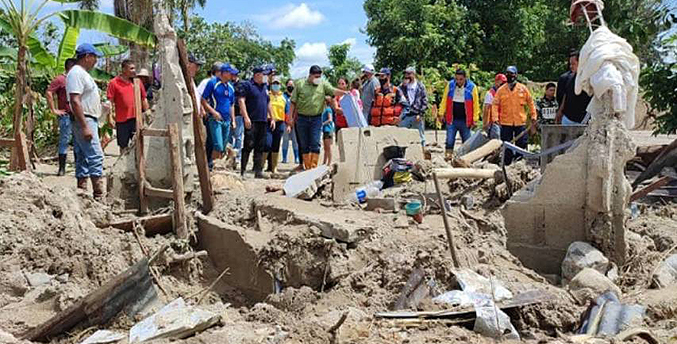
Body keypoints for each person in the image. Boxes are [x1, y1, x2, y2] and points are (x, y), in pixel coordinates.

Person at [66, 43, 105, 199]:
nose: (96, 61)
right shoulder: (76, 73)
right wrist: (85, 126)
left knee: (82, 155)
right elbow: (75, 101)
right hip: (85, 119)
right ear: (87, 57)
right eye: (94, 57)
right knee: (96, 156)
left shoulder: (82, 73)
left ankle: (82, 193)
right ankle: (99, 195)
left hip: (88, 118)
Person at [288, 65, 346, 170]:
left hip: (316, 119)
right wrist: (290, 117)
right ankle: (307, 167)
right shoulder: (300, 84)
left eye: (319, 76)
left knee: (315, 143)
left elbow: (333, 91)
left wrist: (346, 93)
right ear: (310, 75)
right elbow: (293, 102)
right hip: (301, 119)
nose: (318, 79)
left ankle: (313, 168)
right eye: (316, 76)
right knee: (304, 144)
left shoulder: (323, 84)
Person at [492, 66, 537, 165]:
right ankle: (507, 164)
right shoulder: (501, 90)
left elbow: (531, 103)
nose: (510, 76)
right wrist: (495, 117)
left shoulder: (523, 89)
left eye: (512, 74)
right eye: (508, 73)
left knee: (521, 144)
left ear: (516, 75)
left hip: (520, 122)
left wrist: (533, 116)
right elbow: (495, 104)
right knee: (507, 144)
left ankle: (519, 164)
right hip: (506, 122)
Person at [106, 59, 150, 152]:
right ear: (124, 69)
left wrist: (147, 112)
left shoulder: (137, 82)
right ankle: (123, 163)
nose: (134, 71)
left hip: (136, 119)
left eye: (134, 68)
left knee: (138, 143)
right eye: (131, 68)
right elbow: (110, 101)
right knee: (123, 145)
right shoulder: (114, 83)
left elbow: (143, 98)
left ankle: (138, 165)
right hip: (122, 120)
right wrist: (109, 117)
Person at [237, 65, 272, 178]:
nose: (266, 77)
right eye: (264, 74)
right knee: (248, 145)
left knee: (260, 146)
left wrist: (272, 117)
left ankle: (258, 171)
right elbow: (241, 101)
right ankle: (243, 170)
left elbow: (268, 102)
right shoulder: (247, 85)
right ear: (257, 75)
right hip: (252, 120)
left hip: (263, 120)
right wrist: (246, 117)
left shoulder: (265, 87)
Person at [438, 69, 481, 159]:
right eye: (457, 79)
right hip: (452, 118)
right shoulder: (450, 85)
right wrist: (441, 113)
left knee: (467, 141)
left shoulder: (472, 87)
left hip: (466, 120)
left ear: (465, 78)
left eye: (461, 79)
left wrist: (475, 118)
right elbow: (444, 99)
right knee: (449, 140)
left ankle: (466, 158)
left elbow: (476, 104)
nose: (458, 81)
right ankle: (448, 157)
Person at [46, 58, 77, 176]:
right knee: (64, 140)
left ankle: (77, 166)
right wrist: (54, 110)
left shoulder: (76, 79)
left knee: (77, 141)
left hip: (77, 114)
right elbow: (49, 92)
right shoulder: (60, 79)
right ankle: (61, 168)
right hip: (65, 115)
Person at [201, 63, 236, 160]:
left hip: (227, 120)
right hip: (215, 119)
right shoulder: (213, 83)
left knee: (223, 147)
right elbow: (203, 100)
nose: (232, 76)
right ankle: (214, 167)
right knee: (218, 145)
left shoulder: (230, 87)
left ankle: (219, 166)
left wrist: (233, 120)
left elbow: (231, 104)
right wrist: (213, 112)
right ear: (224, 73)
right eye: (230, 73)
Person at [197, 62, 222, 170]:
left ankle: (211, 162)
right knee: (210, 139)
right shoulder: (207, 82)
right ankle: (208, 162)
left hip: (217, 115)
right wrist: (202, 110)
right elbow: (199, 97)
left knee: (215, 139)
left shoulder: (220, 83)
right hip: (209, 114)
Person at [556, 51, 592, 125]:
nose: (571, 66)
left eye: (573, 64)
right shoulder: (569, 78)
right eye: (570, 64)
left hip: (583, 119)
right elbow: (565, 96)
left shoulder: (589, 79)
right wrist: (560, 111)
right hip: (567, 118)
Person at [399, 66, 428, 147]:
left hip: (417, 114)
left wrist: (421, 113)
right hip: (405, 115)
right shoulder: (402, 87)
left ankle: (423, 154)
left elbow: (425, 101)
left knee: (420, 137)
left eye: (409, 74)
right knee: (402, 136)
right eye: (405, 74)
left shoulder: (420, 86)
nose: (406, 76)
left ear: (413, 74)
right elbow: (398, 98)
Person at [264, 76, 287, 174]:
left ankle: (274, 167)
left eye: (277, 83)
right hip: (268, 122)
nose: (276, 85)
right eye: (274, 83)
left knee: (276, 145)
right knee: (267, 144)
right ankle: (262, 166)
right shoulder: (266, 95)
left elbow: (286, 111)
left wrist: (288, 124)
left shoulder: (283, 97)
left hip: (280, 122)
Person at [482, 73, 507, 140]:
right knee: (496, 141)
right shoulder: (490, 94)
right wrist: (485, 125)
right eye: (502, 83)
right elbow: (486, 109)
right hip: (494, 123)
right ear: (496, 82)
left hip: (504, 122)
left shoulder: (505, 93)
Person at [280, 79, 299, 164]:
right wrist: (287, 122)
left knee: (295, 140)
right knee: (285, 140)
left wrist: (292, 121)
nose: (290, 86)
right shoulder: (283, 97)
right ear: (286, 85)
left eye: (292, 84)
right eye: (289, 84)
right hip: (285, 122)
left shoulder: (296, 97)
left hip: (295, 122)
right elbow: (283, 110)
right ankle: (284, 158)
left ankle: (297, 158)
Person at [228, 68, 244, 163]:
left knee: (238, 136)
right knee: (228, 137)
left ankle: (238, 157)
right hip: (229, 114)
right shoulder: (228, 84)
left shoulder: (241, 85)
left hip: (238, 114)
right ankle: (229, 156)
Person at [321, 97, 334, 165]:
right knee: (325, 147)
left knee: (328, 147)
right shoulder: (325, 110)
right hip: (325, 130)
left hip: (328, 130)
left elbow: (330, 119)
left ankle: (329, 162)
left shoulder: (328, 109)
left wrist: (323, 123)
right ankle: (324, 162)